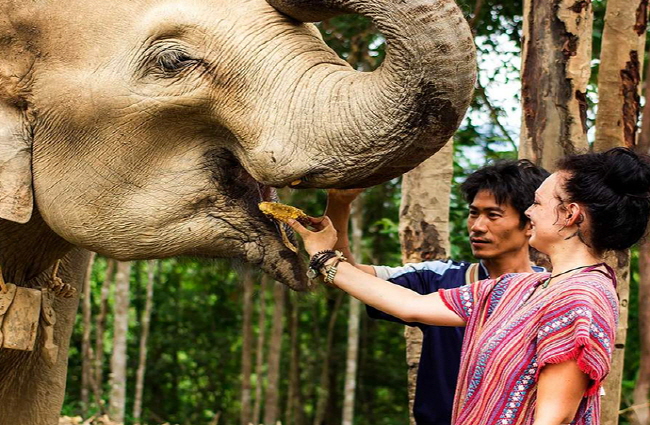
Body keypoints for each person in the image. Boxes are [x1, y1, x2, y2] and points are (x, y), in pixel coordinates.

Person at [289, 147, 650, 425]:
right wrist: (324, 257)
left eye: (538, 203)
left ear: (569, 214)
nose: (529, 212)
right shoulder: (521, 289)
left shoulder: (581, 298)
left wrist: (326, 259)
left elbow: (553, 417)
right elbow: (411, 305)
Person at [324, 159, 549, 425]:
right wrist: (340, 204)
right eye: (474, 213)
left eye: (493, 215)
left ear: (529, 224)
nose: (477, 226)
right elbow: (349, 275)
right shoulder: (440, 278)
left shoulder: (552, 291)